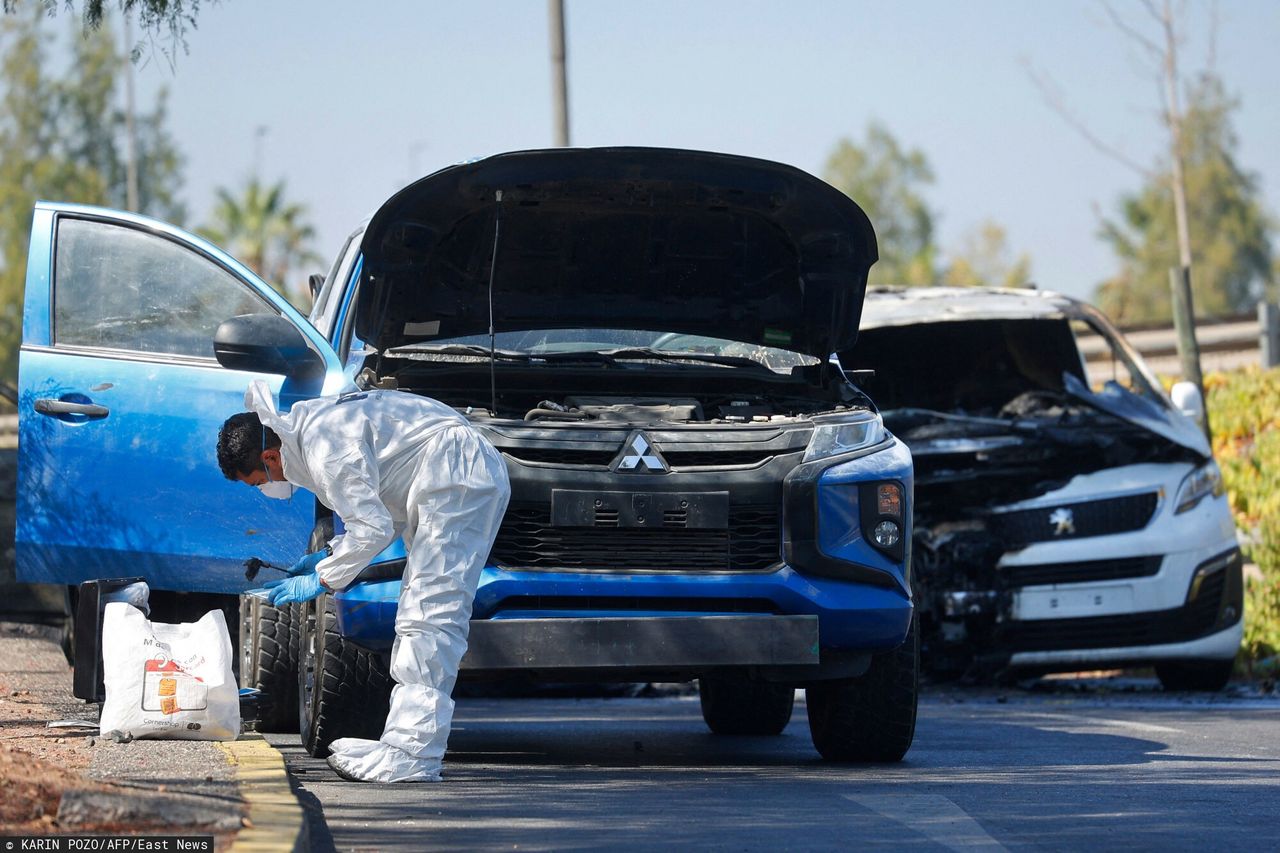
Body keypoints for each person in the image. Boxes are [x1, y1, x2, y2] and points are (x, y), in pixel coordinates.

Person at [216, 381, 510, 783]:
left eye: (258, 481)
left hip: (456, 476)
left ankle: (413, 752)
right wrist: (331, 554)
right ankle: (402, 742)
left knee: (430, 612)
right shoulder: (314, 429)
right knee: (417, 610)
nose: (266, 488)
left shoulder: (325, 448)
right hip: (446, 472)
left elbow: (370, 529)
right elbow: (380, 514)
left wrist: (322, 577)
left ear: (270, 456)